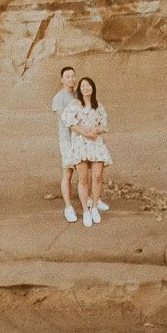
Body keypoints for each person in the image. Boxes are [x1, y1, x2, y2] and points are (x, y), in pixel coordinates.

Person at [65, 77, 112, 227]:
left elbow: (104, 125)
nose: (86, 88)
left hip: (95, 143)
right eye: (83, 86)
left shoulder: (98, 106)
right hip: (80, 143)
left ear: (92, 88)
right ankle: (85, 210)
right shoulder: (75, 104)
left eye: (89, 85)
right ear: (80, 89)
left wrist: (96, 130)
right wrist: (84, 133)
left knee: (97, 176)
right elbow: (69, 122)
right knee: (83, 179)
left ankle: (94, 207)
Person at [51, 67, 80, 221]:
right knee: (68, 172)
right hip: (67, 140)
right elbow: (66, 119)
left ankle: (88, 200)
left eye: (72, 76)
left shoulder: (79, 95)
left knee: (84, 171)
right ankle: (68, 207)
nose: (70, 79)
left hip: (80, 139)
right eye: (67, 76)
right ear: (62, 79)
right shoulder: (58, 98)